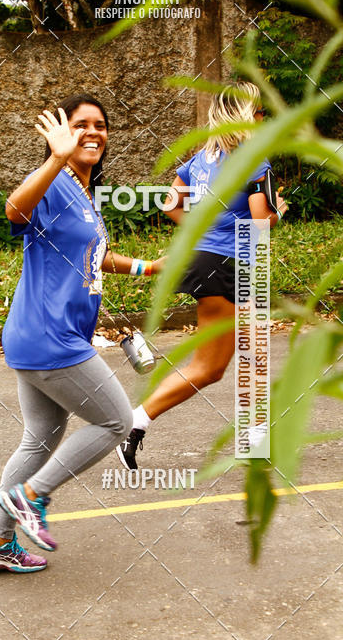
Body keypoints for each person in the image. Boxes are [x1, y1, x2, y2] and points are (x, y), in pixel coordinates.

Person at [0, 93, 163, 573]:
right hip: (51, 337)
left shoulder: (83, 194)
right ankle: (30, 496)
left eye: (101, 124)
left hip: (37, 335)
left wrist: (145, 267)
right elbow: (14, 210)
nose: (93, 132)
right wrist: (55, 158)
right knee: (117, 422)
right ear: (64, 134)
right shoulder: (55, 182)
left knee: (39, 439)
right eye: (82, 125)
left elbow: (89, 257)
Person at [117, 81, 288, 470]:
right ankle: (253, 442)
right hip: (235, 263)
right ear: (249, 116)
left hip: (205, 260)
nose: (264, 119)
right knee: (248, 356)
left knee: (215, 365)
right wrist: (279, 210)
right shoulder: (256, 162)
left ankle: (137, 422)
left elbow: (170, 204)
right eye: (261, 112)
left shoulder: (203, 157)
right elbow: (261, 224)